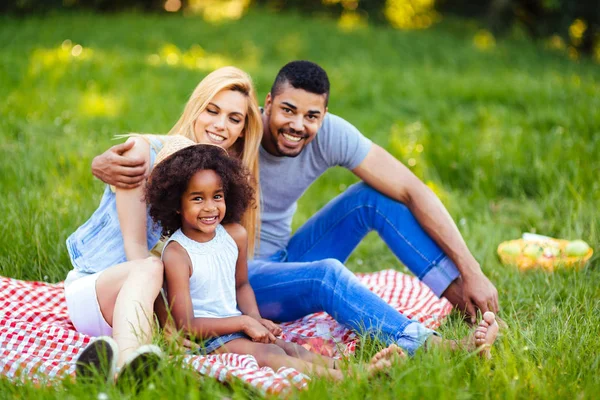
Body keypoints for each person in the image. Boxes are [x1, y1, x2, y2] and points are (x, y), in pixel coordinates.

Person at [92, 61, 500, 357]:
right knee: (326, 275)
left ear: (323, 115)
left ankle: (466, 303)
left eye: (312, 116)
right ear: (267, 104)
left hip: (284, 260)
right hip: (237, 275)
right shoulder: (236, 130)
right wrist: (105, 161)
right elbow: (178, 142)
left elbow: (412, 188)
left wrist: (472, 270)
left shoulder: (328, 133)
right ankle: (426, 346)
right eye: (287, 110)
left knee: (373, 198)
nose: (297, 125)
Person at [146, 140, 413, 380]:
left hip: (238, 323)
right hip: (207, 338)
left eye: (217, 196)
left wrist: (255, 319)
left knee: (286, 347)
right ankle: (354, 380)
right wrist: (242, 323)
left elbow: (241, 286)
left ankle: (354, 369)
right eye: (197, 199)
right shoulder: (177, 253)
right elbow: (186, 324)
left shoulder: (235, 235)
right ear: (176, 205)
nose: (210, 207)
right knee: (270, 357)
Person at [64, 66, 264, 382]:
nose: (220, 125)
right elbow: (135, 251)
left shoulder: (219, 182)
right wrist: (167, 324)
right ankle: (128, 363)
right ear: (195, 109)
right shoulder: (145, 152)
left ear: (243, 130)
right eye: (211, 110)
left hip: (148, 317)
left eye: (234, 118)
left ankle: (118, 368)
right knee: (150, 266)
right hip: (101, 291)